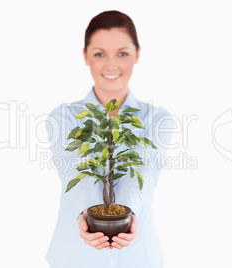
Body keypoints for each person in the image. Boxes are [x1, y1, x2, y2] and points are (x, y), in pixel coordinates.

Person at [45, 10, 174, 268]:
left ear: (138, 53)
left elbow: (143, 170)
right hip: (74, 257)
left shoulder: (156, 119)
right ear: (85, 56)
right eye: (99, 54)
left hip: (139, 257)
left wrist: (127, 212)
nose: (111, 65)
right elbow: (73, 168)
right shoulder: (63, 117)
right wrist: (88, 213)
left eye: (122, 53)